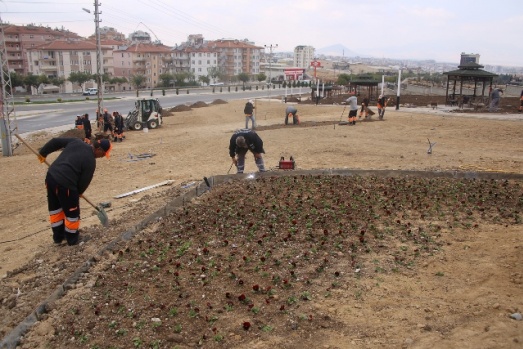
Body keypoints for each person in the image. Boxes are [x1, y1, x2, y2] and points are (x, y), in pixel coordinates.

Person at [38, 138, 112, 245]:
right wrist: (77, 193)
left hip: (51, 178)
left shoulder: (76, 142)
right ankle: (72, 239)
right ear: (99, 149)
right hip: (66, 184)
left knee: (56, 210)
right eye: (104, 154)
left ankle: (58, 238)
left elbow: (55, 141)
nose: (103, 156)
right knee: (72, 213)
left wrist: (43, 153)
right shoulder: (90, 161)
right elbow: (83, 183)